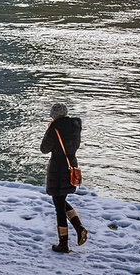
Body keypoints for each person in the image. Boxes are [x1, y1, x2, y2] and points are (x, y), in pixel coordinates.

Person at [40, 103, 87, 252]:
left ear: (53, 115)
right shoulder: (75, 126)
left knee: (59, 206)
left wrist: (49, 131)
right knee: (60, 200)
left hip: (58, 169)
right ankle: (79, 229)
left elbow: (44, 149)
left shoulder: (54, 129)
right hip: (71, 165)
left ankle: (63, 244)